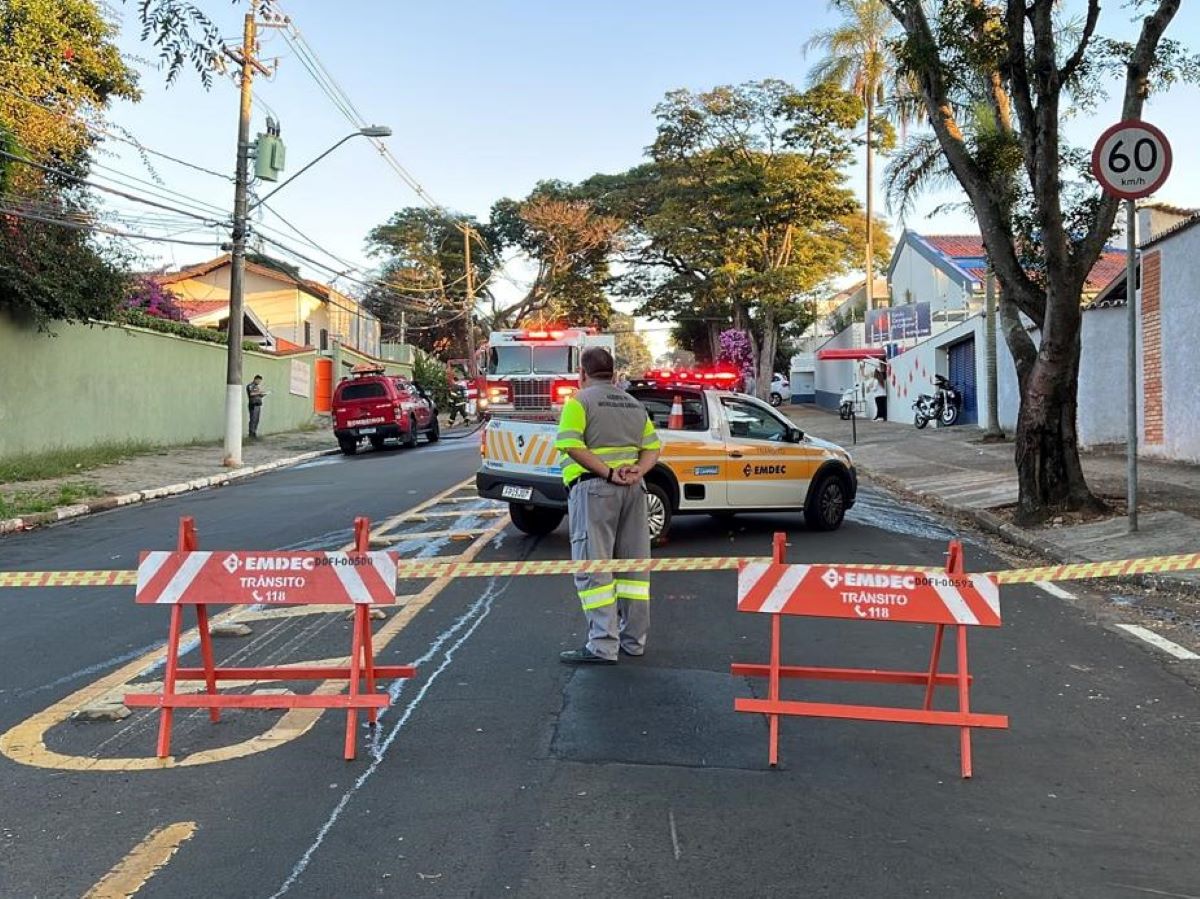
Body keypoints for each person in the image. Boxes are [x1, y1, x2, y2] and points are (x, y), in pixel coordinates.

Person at [554, 347, 661, 664]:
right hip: (634, 491)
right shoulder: (633, 404)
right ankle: (634, 641)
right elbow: (652, 448)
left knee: (594, 566)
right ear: (613, 374)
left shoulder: (580, 402)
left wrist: (608, 472)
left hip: (595, 491)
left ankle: (602, 645)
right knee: (634, 567)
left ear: (583, 374)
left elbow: (570, 444)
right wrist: (636, 472)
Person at [247, 375, 266, 439]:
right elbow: (251, 394)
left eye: (260, 381)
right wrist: (259, 392)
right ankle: (251, 433)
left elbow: (258, 395)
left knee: (257, 420)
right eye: (259, 381)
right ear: (255, 379)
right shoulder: (250, 386)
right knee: (253, 419)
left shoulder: (257, 387)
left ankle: (254, 432)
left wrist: (262, 395)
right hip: (253, 404)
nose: (259, 382)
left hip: (258, 404)